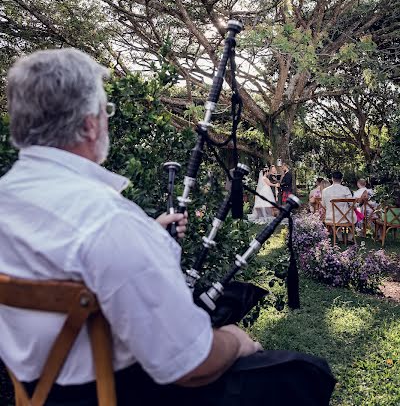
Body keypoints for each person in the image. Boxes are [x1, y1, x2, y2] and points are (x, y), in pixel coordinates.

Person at [0, 48, 335, 406]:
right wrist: (236, 340)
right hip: (122, 394)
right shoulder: (108, 221)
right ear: (89, 124)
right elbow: (192, 366)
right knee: (304, 374)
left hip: (36, 392)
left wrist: (148, 237)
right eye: (105, 112)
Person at [322, 171, 355, 239]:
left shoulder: (325, 190)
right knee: (354, 215)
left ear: (332, 179)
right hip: (345, 219)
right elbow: (352, 204)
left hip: (330, 218)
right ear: (342, 179)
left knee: (337, 216)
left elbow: (324, 205)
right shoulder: (345, 189)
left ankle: (339, 237)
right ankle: (349, 238)